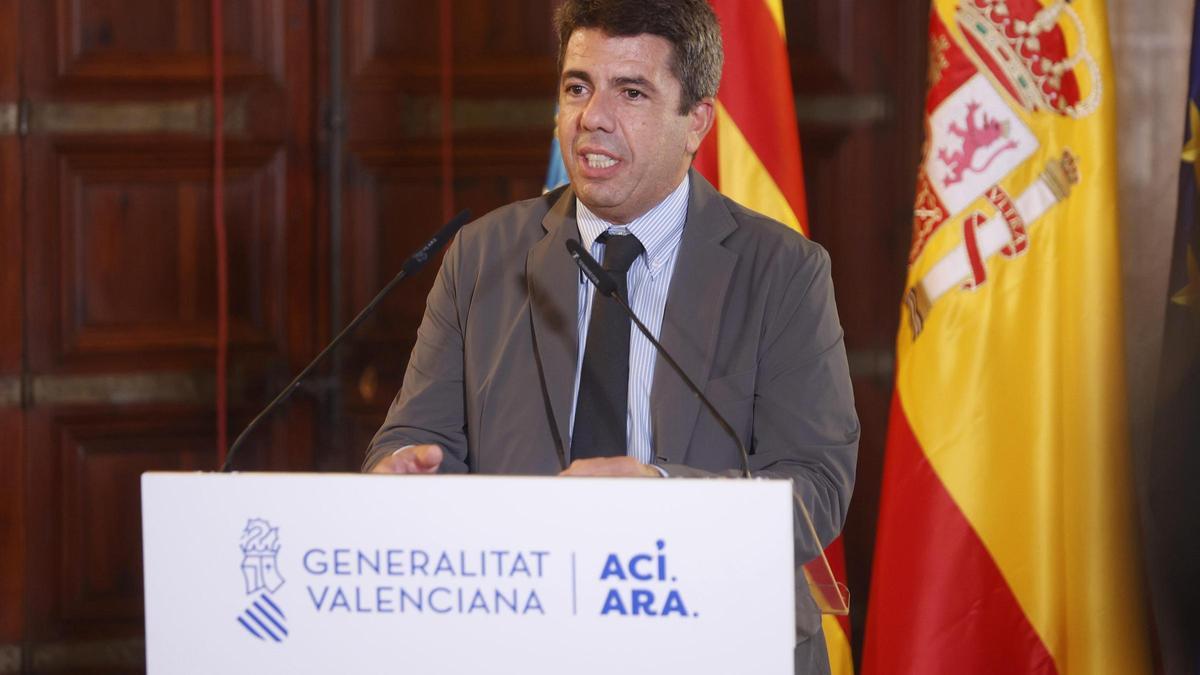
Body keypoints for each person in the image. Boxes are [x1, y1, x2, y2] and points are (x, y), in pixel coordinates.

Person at [365, 0, 858, 671]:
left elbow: (817, 486)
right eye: (577, 87)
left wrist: (663, 495)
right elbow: (411, 441)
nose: (592, 117)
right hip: (521, 642)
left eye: (630, 92)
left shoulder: (783, 272)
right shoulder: (484, 256)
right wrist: (399, 472)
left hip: (717, 641)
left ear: (697, 124)